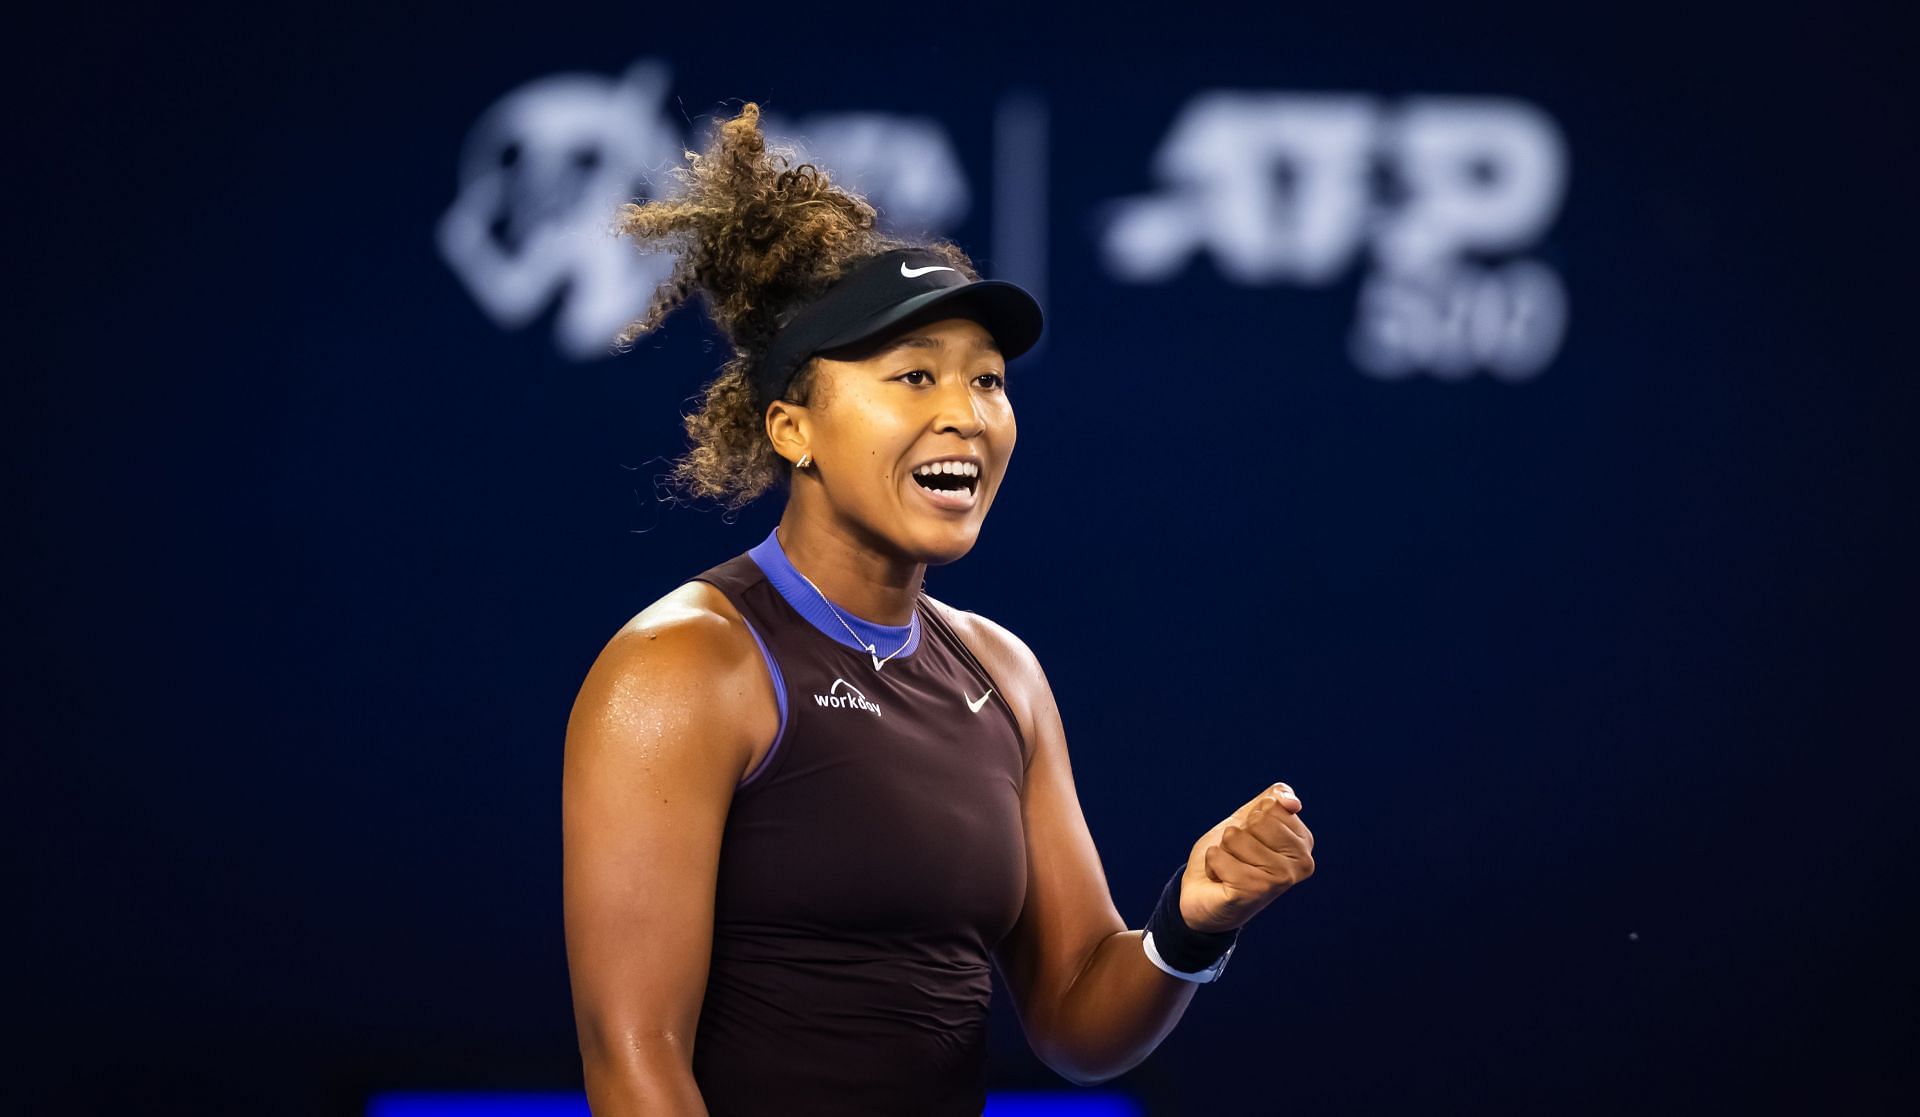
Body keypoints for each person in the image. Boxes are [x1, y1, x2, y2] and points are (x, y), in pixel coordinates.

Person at [561, 101, 1316, 1117]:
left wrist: (1193, 918)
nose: (964, 412)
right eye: (914, 375)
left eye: (988, 381)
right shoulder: (684, 666)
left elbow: (1079, 1022)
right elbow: (634, 1060)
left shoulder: (1004, 677)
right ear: (794, 428)